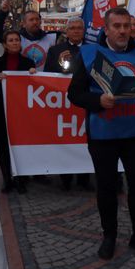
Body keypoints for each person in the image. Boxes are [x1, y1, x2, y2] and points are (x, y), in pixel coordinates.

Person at [68, 7, 135, 260]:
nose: (122, 31)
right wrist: (98, 100)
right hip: (103, 135)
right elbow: (74, 94)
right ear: (106, 29)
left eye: (126, 26)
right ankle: (109, 236)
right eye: (117, 26)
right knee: (107, 189)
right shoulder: (89, 54)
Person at [44, 17, 93, 191]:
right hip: (61, 103)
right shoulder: (55, 50)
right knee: (65, 138)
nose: (76, 31)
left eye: (79, 28)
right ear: (66, 31)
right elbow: (47, 76)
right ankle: (65, 178)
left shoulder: (92, 50)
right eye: (72, 28)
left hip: (84, 101)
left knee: (83, 138)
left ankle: (84, 178)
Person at [0, 30, 36, 193]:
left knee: (21, 146)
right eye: (11, 40)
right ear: (4, 44)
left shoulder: (29, 63)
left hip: (23, 111)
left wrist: (33, 75)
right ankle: (7, 179)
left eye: (17, 40)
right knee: (3, 146)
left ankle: (21, 179)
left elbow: (34, 87)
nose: (15, 42)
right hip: (2, 110)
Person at [0, 0, 59, 71]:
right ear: (23, 24)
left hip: (44, 80)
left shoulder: (52, 37)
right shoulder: (17, 38)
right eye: (31, 20)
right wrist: (3, 12)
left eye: (37, 19)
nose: (35, 22)